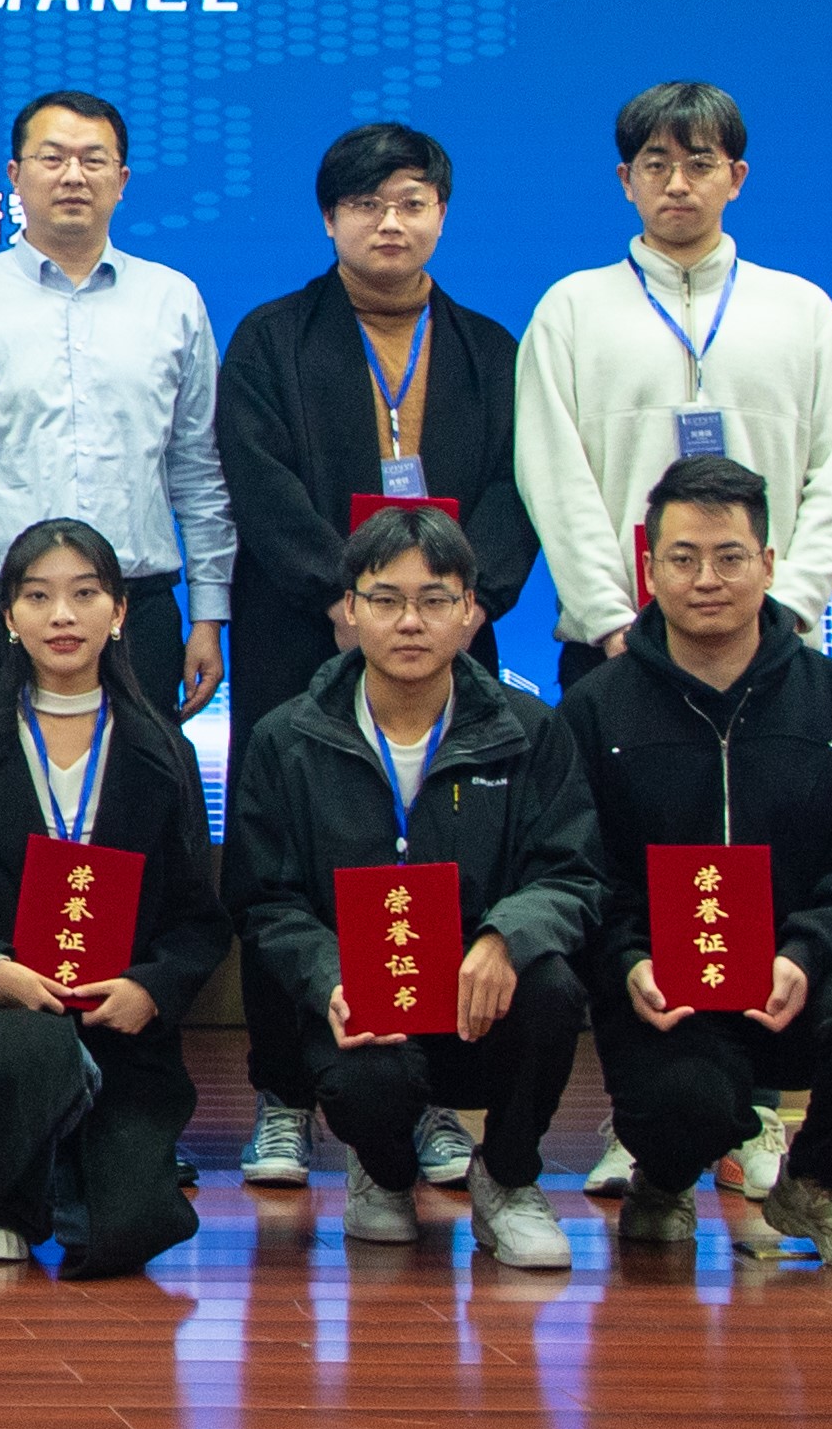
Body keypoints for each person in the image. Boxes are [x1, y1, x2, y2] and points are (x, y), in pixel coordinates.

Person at [210, 121, 539, 1196]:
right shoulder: (272, 337)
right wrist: (343, 596)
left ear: (441, 213)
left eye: (411, 202)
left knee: (440, 852)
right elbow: (255, 476)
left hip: (448, 642)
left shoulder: (491, 349)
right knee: (285, 860)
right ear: (328, 218)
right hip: (300, 633)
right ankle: (283, 1093)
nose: (389, 223)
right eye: (366, 204)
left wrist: (464, 601)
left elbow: (519, 484)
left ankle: (428, 1089)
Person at [562, 455, 832, 1274]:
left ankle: (823, 1182)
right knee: (685, 1106)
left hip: (802, 984)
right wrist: (628, 959)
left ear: (769, 565)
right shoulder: (595, 712)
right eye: (683, 557)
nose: (707, 579)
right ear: (650, 569)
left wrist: (805, 952)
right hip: (665, 994)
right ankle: (664, 1176)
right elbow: (576, 864)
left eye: (729, 556)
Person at [225, 505, 598, 1272]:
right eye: (386, 599)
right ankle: (384, 1172)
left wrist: (506, 937)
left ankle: (509, 1179)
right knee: (366, 1080)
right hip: (358, 1014)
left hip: (478, 1002)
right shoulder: (286, 739)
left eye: (434, 600)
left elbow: (571, 872)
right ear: (350, 609)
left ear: (470, 611)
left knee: (552, 985)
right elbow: (266, 900)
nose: (409, 621)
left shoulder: (530, 732)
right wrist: (330, 975)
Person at [0, 519, 228, 1279]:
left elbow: (198, 920)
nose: (62, 616)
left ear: (120, 611)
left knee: (125, 1231)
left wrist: (149, 988)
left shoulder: (164, 751)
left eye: (85, 594)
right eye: (38, 597)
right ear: (7, 615)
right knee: (32, 1047)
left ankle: (65, 1150)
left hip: (116, 1029)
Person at [512, 80, 832, 692]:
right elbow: (553, 481)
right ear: (627, 180)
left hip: (773, 652)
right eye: (657, 165)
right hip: (615, 655)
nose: (677, 184)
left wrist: (788, 612)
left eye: (700, 164)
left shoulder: (803, 311)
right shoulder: (570, 310)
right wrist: (612, 623)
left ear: (736, 177)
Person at [0, 91, 232, 724]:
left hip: (136, 609)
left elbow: (198, 472)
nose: (73, 176)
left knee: (136, 785)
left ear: (122, 179)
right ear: (15, 175)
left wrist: (208, 616)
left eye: (93, 159)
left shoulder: (173, 301)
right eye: (52, 158)